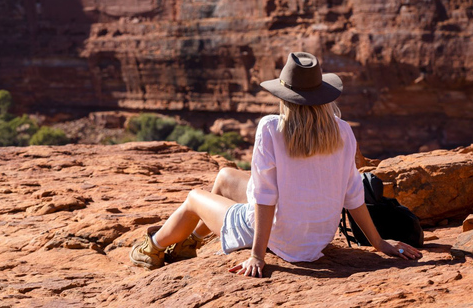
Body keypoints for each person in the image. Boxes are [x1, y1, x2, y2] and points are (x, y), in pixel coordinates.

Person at [130, 52, 422, 277]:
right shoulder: (342, 130)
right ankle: (188, 242)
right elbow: (353, 195)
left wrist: (258, 254)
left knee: (194, 197)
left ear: (285, 96)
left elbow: (265, 197)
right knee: (225, 176)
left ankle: (152, 248)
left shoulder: (271, 128)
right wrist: (378, 242)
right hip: (316, 238)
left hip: (279, 237)